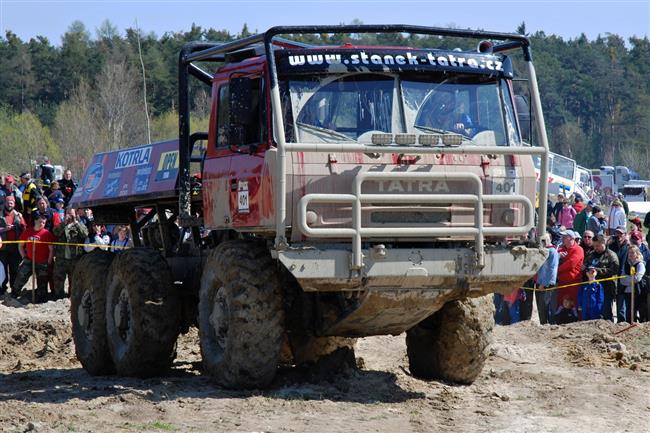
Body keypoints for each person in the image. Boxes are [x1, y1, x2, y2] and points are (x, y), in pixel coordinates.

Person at [14, 212, 55, 303]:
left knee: (42, 282)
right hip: (29, 260)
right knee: (21, 277)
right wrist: (24, 257)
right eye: (40, 222)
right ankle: (14, 293)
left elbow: (51, 250)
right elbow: (20, 246)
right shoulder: (28, 232)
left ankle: (41, 298)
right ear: (35, 221)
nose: (42, 224)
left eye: (44, 223)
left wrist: (48, 262)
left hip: (42, 261)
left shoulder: (47, 233)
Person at [52, 208, 88, 299]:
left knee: (74, 279)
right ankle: (58, 296)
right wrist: (64, 223)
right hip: (61, 257)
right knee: (58, 278)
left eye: (71, 214)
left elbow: (85, 234)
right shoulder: (61, 224)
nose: (70, 216)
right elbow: (55, 232)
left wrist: (76, 222)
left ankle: (72, 296)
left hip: (74, 257)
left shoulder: (79, 225)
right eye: (68, 213)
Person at [583, 234, 620, 321]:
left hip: (606, 288)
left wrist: (597, 270)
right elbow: (585, 265)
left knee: (606, 311)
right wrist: (586, 269)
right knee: (594, 310)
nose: (595, 248)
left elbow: (614, 270)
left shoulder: (611, 255)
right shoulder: (591, 255)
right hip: (593, 287)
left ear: (604, 244)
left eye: (598, 246)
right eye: (594, 246)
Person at [0, 196, 26, 295]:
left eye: (11, 203)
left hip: (15, 248)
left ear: (14, 204)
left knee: (15, 270)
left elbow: (24, 229)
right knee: (2, 271)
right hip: (2, 248)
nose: (9, 204)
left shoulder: (18, 215)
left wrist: (21, 222)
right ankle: (2, 289)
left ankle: (14, 290)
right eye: (8, 202)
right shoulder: (0, 214)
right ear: (5, 203)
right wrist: (4, 229)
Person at [556, 229, 584, 312]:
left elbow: (571, 264)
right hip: (562, 282)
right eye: (562, 236)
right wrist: (558, 256)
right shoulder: (561, 249)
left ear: (572, 238)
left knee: (574, 305)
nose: (562, 238)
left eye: (565, 237)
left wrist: (557, 270)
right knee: (561, 305)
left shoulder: (578, 249)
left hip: (573, 282)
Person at [534, 233, 560, 324]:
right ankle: (543, 324)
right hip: (539, 283)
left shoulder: (552, 251)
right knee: (541, 308)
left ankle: (549, 324)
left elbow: (552, 269)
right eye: (542, 240)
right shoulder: (543, 251)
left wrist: (544, 284)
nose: (543, 242)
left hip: (546, 285)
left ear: (550, 239)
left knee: (546, 307)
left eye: (545, 240)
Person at [617, 245, 645, 323]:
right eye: (629, 253)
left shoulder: (640, 264)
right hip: (627, 291)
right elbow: (622, 279)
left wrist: (628, 278)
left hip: (638, 291)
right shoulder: (626, 264)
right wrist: (630, 279)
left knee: (639, 311)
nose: (630, 254)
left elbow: (637, 278)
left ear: (637, 254)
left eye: (632, 253)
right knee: (629, 312)